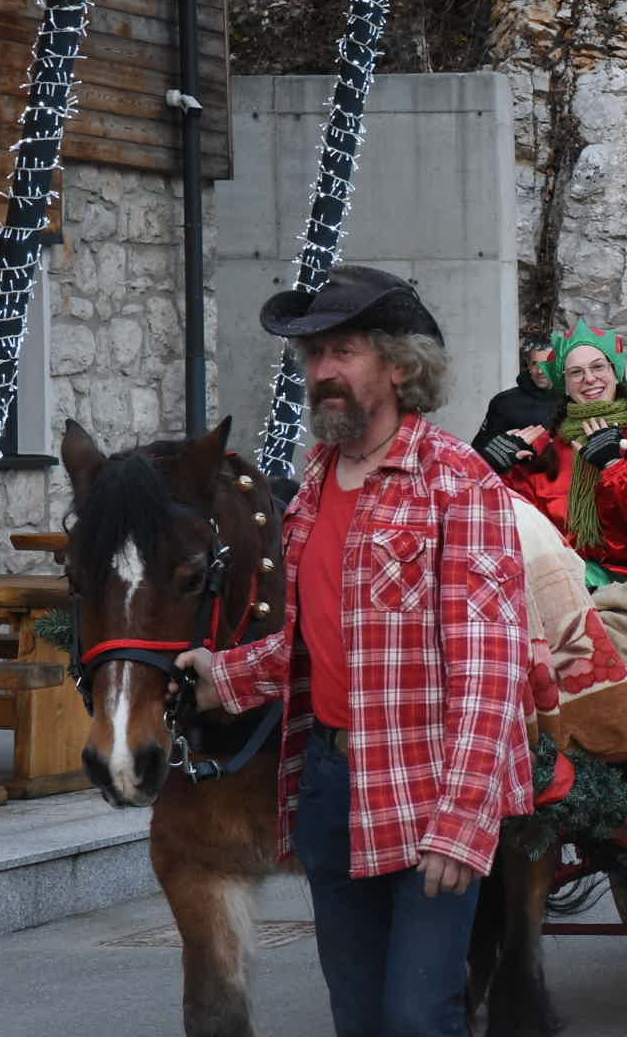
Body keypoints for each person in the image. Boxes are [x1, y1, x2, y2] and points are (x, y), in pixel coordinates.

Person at [176, 265, 532, 1036]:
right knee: (359, 1015)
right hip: (331, 785)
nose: (320, 373)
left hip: (430, 784)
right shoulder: (314, 485)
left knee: (417, 1016)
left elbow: (490, 668)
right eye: (311, 357)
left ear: (400, 366)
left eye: (340, 352)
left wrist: (465, 819)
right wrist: (222, 679)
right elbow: (310, 642)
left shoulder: (458, 483)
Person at [482, 323, 627, 587]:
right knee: (578, 570)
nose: (589, 379)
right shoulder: (544, 448)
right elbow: (519, 526)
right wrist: (490, 472)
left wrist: (613, 466)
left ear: (616, 372)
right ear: (564, 385)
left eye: (598, 367)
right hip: (580, 582)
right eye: (575, 372)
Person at [472, 335, 558, 463]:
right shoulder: (504, 402)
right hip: (517, 479)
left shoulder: (572, 398)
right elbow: (478, 453)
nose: (540, 371)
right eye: (535, 364)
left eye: (546, 364)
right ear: (528, 365)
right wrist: (498, 457)